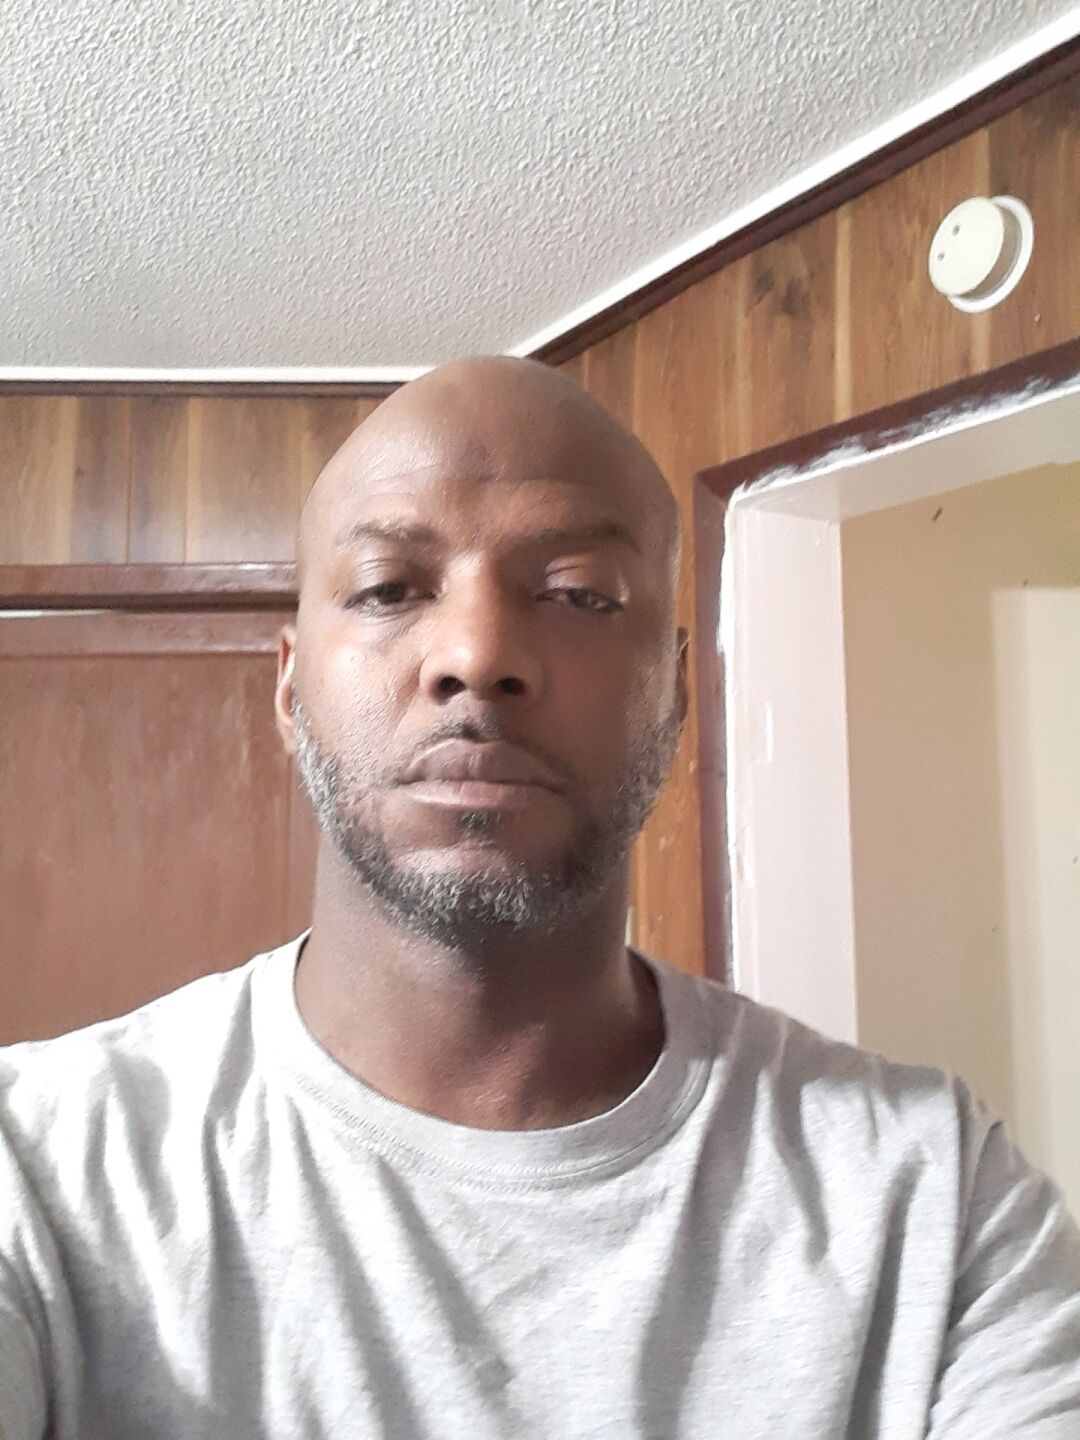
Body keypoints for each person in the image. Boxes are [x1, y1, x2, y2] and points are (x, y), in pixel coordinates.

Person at [1, 357, 1078, 1439]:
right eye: (388, 589)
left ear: (675, 688)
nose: (477, 656)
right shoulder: (40, 1170)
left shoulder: (933, 1199)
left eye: (578, 594)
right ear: (290, 687)